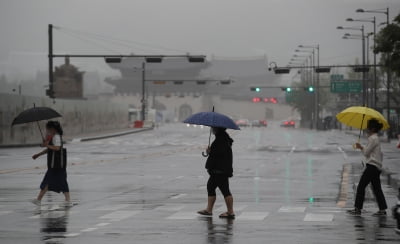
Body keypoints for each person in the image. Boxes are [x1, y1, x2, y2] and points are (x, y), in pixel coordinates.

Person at [348, 119, 388, 216]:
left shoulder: (373, 138)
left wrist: (360, 147)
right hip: (376, 166)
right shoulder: (375, 138)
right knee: (376, 188)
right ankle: (382, 209)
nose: (367, 129)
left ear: (372, 128)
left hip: (372, 166)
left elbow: (366, 152)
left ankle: (357, 208)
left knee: (361, 186)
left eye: (368, 127)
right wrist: (361, 147)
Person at [31, 121, 71, 207]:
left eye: (48, 129)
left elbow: (57, 148)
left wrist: (47, 145)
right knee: (53, 181)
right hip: (55, 165)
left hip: (57, 164)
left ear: (53, 129)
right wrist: (38, 154)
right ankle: (39, 199)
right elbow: (49, 150)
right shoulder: (53, 137)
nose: (47, 130)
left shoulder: (56, 137)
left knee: (53, 181)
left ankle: (39, 200)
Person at [197, 127, 235, 219]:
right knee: (211, 187)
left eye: (213, 128)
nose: (212, 130)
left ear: (218, 129)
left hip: (219, 170)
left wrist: (210, 151)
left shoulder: (221, 140)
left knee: (225, 190)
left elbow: (219, 154)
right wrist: (211, 151)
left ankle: (230, 212)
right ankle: (209, 210)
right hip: (218, 170)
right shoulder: (222, 138)